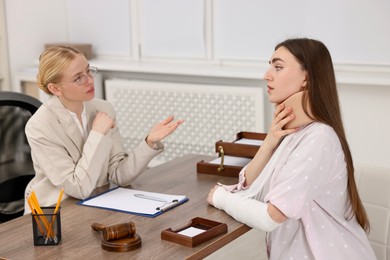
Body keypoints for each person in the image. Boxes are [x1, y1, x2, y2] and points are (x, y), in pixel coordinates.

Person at [207, 38, 376, 259]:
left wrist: (221, 198)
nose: (267, 75)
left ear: (306, 78)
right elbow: (249, 188)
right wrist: (269, 143)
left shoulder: (319, 138)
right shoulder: (294, 133)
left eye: (278, 67)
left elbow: (270, 216)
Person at [24, 46, 183, 214]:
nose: (90, 80)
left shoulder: (103, 108)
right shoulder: (40, 126)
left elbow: (119, 174)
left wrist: (149, 142)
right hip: (55, 214)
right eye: (78, 78)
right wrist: (97, 134)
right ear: (55, 89)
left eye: (88, 71)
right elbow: (78, 188)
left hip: (97, 201)